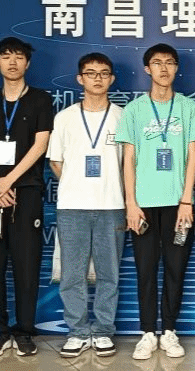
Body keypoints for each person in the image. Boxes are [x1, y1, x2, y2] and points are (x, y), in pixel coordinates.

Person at [0, 37, 54, 358]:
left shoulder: (41, 100)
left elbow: (40, 146)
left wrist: (9, 181)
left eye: (18, 57)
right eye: (5, 57)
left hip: (26, 193)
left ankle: (24, 331)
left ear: (27, 63)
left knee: (26, 265)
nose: (12, 62)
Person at [117, 43, 195, 360]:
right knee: (145, 270)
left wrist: (186, 200)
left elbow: (193, 156)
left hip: (178, 206)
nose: (164, 68)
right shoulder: (134, 110)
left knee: (175, 268)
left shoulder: (189, 108)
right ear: (147, 69)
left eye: (170, 62)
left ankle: (169, 331)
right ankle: (147, 333)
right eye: (157, 63)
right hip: (143, 206)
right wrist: (131, 203)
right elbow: (128, 159)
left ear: (176, 68)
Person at [48, 53, 126, 358]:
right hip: (72, 206)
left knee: (109, 274)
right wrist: (77, 182)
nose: (98, 78)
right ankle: (77, 332)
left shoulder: (123, 116)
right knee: (72, 275)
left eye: (104, 73)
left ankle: (104, 331)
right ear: (80, 79)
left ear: (112, 79)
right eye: (91, 73)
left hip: (113, 205)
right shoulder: (64, 117)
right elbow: (56, 161)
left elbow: (129, 164)